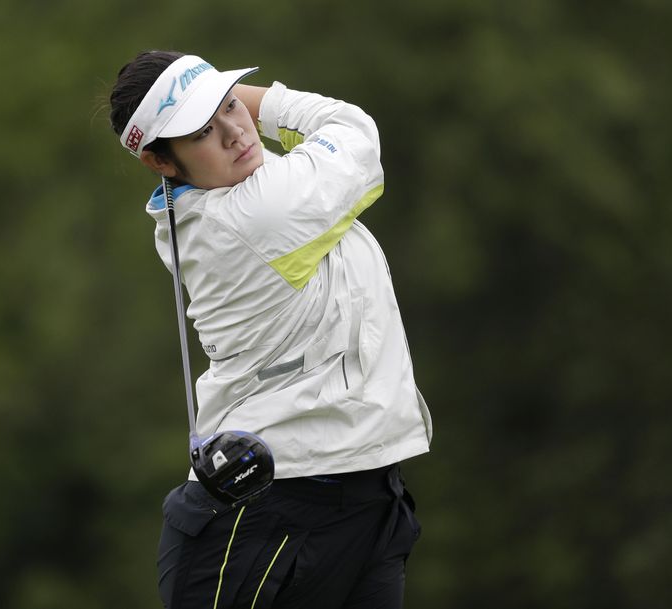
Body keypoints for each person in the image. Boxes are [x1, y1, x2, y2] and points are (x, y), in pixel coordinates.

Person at [108, 50, 433, 609]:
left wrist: (209, 96)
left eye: (232, 106)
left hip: (363, 491)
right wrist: (262, 103)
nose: (236, 133)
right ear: (162, 163)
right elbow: (353, 131)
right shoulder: (254, 215)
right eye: (204, 132)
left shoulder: (244, 189)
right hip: (272, 511)